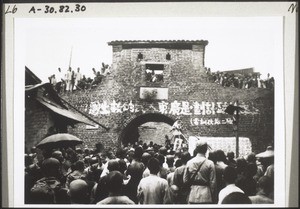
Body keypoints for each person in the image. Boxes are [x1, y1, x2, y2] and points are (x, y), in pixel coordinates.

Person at [183, 139, 217, 204]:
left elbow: (185, 180)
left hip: (193, 194)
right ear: (206, 149)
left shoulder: (189, 162)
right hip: (206, 195)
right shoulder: (210, 163)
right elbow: (213, 183)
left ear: (196, 149)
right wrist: (213, 196)